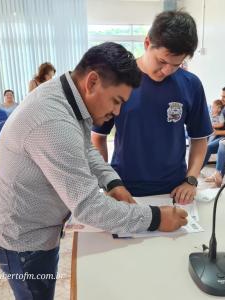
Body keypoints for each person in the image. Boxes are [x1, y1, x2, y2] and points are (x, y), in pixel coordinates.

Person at [0, 42, 188, 300]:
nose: (117, 111)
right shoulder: (53, 120)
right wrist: (156, 218)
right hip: (21, 240)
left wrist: (113, 183)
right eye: (116, 100)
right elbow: (89, 208)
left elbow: (84, 147)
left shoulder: (65, 96)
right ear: (92, 82)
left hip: (37, 227)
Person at [91, 11, 213, 204]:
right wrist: (108, 183)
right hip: (125, 187)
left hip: (174, 190)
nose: (166, 71)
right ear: (147, 43)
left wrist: (191, 180)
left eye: (176, 65)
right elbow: (98, 137)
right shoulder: (117, 80)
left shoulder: (191, 84)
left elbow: (199, 138)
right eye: (162, 61)